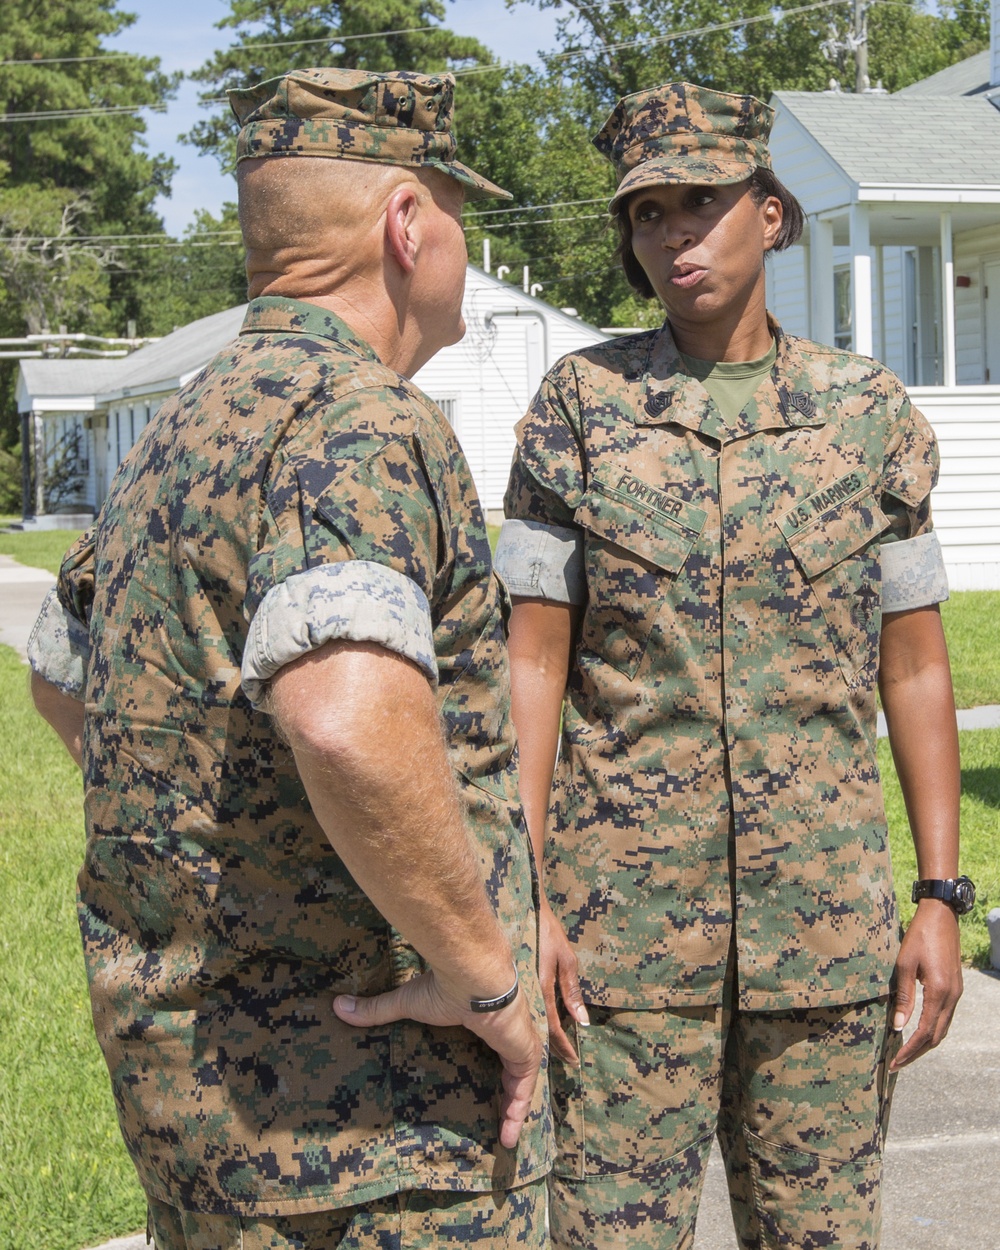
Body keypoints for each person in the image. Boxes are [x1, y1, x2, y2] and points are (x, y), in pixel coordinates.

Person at [28, 67, 550, 1250]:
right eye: (458, 211)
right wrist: (485, 981)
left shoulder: (184, 424)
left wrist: (231, 833)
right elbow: (345, 722)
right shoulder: (357, 418)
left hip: (201, 1111)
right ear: (406, 223)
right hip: (371, 1139)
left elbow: (62, 674)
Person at [494, 81, 972, 1250]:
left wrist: (940, 896)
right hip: (617, 951)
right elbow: (532, 668)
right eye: (646, 212)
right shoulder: (580, 409)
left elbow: (912, 672)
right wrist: (528, 897)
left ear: (770, 212)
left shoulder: (866, 417)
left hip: (823, 939)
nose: (672, 235)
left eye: (700, 202)